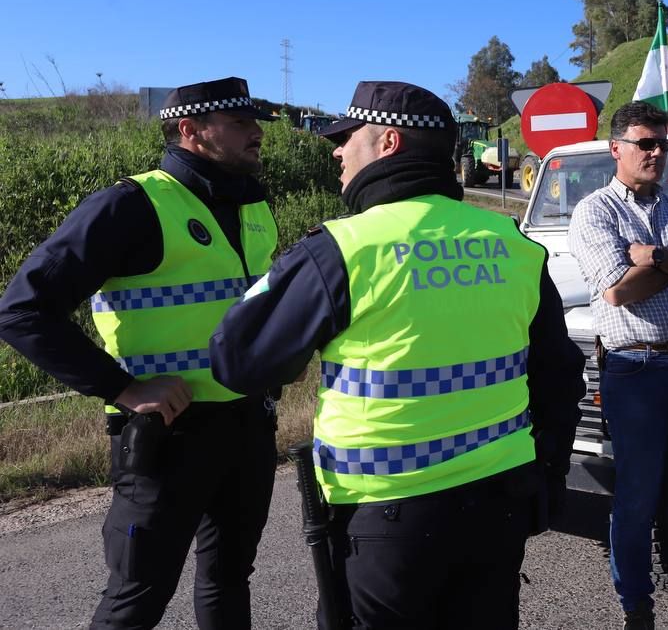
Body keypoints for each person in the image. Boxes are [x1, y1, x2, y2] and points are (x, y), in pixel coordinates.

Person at [208, 80, 585, 630]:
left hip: (386, 517)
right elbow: (558, 375)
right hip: (498, 505)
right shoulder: (510, 242)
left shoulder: (343, 248)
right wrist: (547, 474)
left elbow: (236, 361)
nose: (337, 151)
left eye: (346, 137)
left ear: (387, 143)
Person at [0, 76, 280, 629]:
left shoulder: (253, 202)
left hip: (248, 426)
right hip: (169, 437)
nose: (257, 136)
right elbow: (21, 311)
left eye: (256, 124)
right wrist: (124, 389)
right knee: (138, 596)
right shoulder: (132, 204)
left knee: (229, 580)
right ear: (191, 131)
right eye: (241, 124)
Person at [567, 101, 668, 630]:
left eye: (664, 143)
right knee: (636, 496)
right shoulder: (595, 212)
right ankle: (637, 610)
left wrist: (658, 257)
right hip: (636, 371)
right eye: (646, 143)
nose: (657, 152)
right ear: (616, 148)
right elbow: (618, 291)